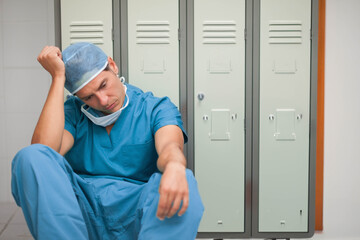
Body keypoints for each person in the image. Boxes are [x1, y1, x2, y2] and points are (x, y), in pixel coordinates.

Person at [11, 42, 204, 240]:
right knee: (29, 156)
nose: (103, 101)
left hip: (136, 211)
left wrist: (174, 165)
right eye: (88, 97)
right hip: (80, 211)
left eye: (103, 85)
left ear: (112, 65)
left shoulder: (155, 108)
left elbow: (170, 147)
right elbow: (44, 155)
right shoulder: (73, 113)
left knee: (184, 179)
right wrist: (58, 78)